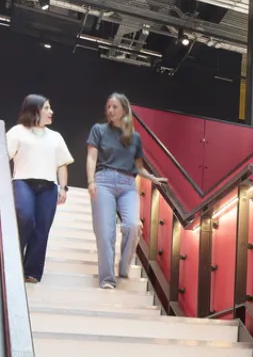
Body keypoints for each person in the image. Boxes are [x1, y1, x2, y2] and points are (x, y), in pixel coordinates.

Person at [86, 92, 164, 290]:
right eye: (109, 107)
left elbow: (138, 167)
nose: (110, 110)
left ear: (124, 110)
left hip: (128, 183)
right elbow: (91, 158)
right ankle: (107, 278)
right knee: (105, 230)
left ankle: (124, 265)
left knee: (132, 225)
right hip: (103, 180)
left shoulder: (134, 138)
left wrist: (152, 178)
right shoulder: (99, 130)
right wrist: (90, 181)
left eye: (115, 107)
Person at [6, 94, 74, 283]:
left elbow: (62, 164)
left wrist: (63, 187)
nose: (51, 112)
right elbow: (4, 157)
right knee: (25, 217)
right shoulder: (17, 132)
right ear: (34, 110)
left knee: (42, 228)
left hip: (48, 187)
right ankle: (13, 261)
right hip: (23, 182)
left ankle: (32, 272)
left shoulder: (56, 137)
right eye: (46, 108)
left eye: (50, 108)